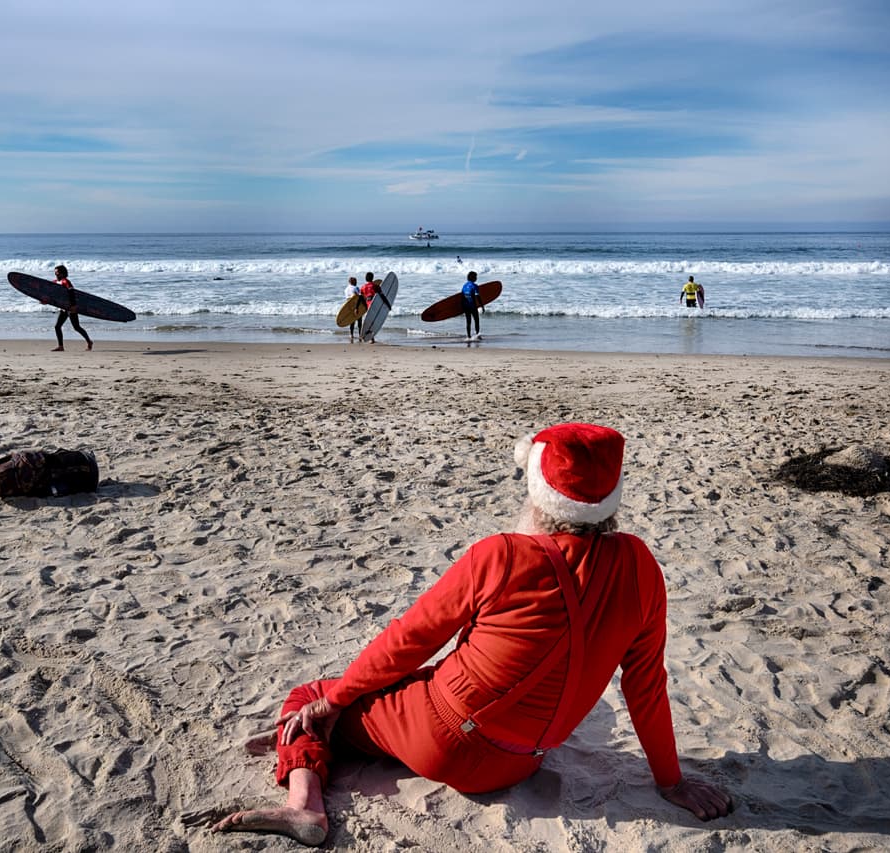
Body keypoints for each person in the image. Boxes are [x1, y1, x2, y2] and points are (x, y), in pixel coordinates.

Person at [212, 423, 734, 845]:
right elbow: (646, 688)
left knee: (312, 695)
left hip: (443, 740)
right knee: (399, 688)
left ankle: (304, 803)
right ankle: (323, 742)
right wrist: (672, 781)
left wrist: (337, 700)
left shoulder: (502, 554)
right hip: (520, 763)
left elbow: (408, 640)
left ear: (539, 492)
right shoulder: (640, 565)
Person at [49, 265, 92, 351]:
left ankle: (89, 341)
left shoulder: (66, 281)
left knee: (76, 327)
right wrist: (45, 301)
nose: (55, 273)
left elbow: (71, 292)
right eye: (55, 272)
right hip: (63, 307)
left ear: (62, 273)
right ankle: (61, 346)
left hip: (70, 308)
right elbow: (52, 295)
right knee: (57, 326)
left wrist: (73, 306)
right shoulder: (55, 282)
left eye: (57, 272)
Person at [462, 270, 484, 340]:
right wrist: (482, 306)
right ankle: (477, 335)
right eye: (475, 277)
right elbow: (477, 296)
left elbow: (462, 296)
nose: (476, 278)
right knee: (476, 320)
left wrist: (462, 306)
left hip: (465, 305)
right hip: (472, 306)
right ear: (473, 277)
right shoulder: (475, 286)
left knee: (468, 322)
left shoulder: (464, 285)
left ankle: (468, 336)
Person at [343, 276, 365, 342]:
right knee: (359, 321)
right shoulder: (356, 288)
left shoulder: (346, 289)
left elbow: (347, 299)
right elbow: (359, 296)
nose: (356, 282)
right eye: (355, 281)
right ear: (353, 282)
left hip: (349, 306)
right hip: (356, 305)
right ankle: (360, 335)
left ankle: (351, 334)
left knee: (352, 320)